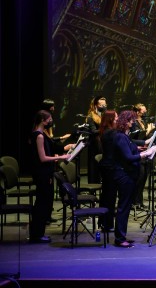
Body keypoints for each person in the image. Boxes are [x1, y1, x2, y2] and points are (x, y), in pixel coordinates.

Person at [100, 110, 153, 247]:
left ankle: (121, 236)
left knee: (125, 206)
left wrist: (139, 150)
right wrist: (146, 154)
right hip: (123, 176)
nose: (133, 122)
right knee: (123, 207)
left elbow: (129, 149)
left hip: (126, 175)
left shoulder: (124, 136)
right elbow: (128, 157)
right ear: (126, 122)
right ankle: (119, 238)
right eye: (131, 121)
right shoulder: (120, 137)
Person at [28, 110, 73, 243]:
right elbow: (42, 158)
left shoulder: (42, 134)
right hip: (42, 173)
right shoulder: (39, 136)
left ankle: (38, 233)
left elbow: (50, 149)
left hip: (44, 172)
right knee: (42, 204)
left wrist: (63, 150)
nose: (51, 122)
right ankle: (37, 234)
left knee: (44, 203)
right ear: (43, 120)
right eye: (49, 119)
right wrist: (61, 157)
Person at [84, 95, 107, 184]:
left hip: (103, 143)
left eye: (105, 105)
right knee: (94, 165)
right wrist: (106, 129)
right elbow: (93, 131)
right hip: (95, 144)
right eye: (102, 105)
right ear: (96, 105)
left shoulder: (104, 115)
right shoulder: (90, 117)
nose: (104, 107)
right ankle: (94, 184)